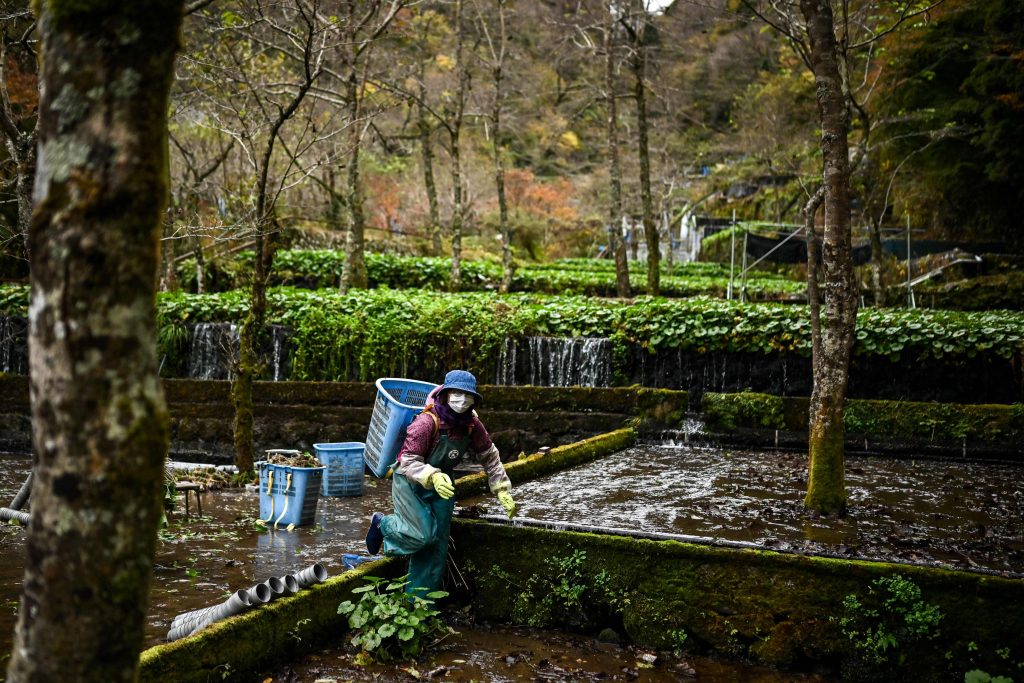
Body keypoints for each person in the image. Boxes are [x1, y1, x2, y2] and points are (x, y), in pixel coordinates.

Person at [364, 370, 517, 596]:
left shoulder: (472, 425)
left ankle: (420, 605)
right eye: (457, 393)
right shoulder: (427, 422)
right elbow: (406, 460)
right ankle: (382, 524)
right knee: (422, 535)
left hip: (444, 482)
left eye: (468, 396)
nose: (462, 400)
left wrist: (501, 487)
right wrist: (431, 475)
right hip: (411, 480)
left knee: (437, 547)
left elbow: (489, 455)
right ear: (446, 394)